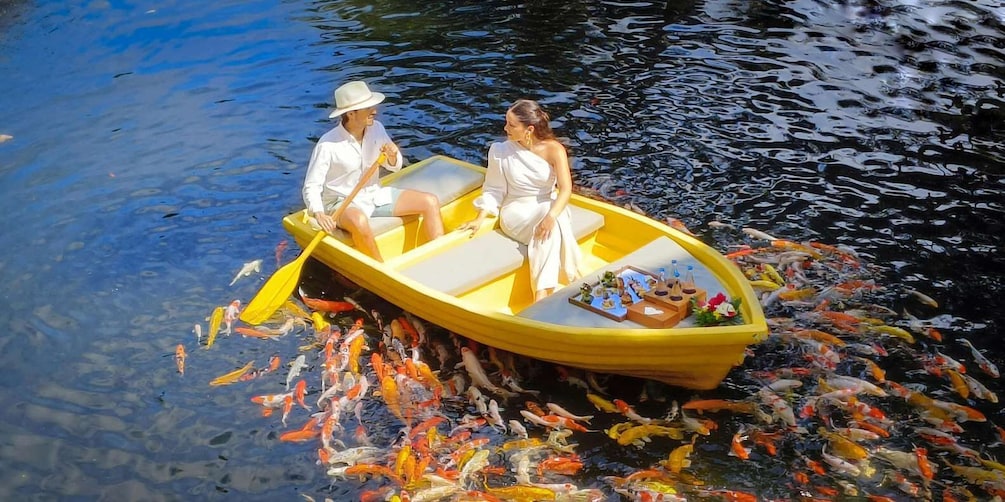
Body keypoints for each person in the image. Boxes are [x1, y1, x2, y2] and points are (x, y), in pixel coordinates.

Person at [302, 80, 444, 262]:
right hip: (341, 203)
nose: (375, 111)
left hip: (374, 195)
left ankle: (440, 258)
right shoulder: (327, 144)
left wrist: (392, 156)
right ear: (351, 114)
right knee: (360, 221)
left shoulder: (377, 128)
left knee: (429, 202)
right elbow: (312, 186)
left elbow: (394, 165)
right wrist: (319, 213)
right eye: (367, 108)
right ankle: (381, 270)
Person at [459, 99, 582, 301]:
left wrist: (551, 216)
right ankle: (556, 286)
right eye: (506, 122)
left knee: (554, 220)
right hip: (516, 211)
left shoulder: (554, 149)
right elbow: (494, 188)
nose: (505, 128)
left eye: (511, 125)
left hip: (548, 207)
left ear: (529, 129)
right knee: (554, 222)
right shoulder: (500, 151)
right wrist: (480, 216)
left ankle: (543, 293)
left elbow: (566, 189)